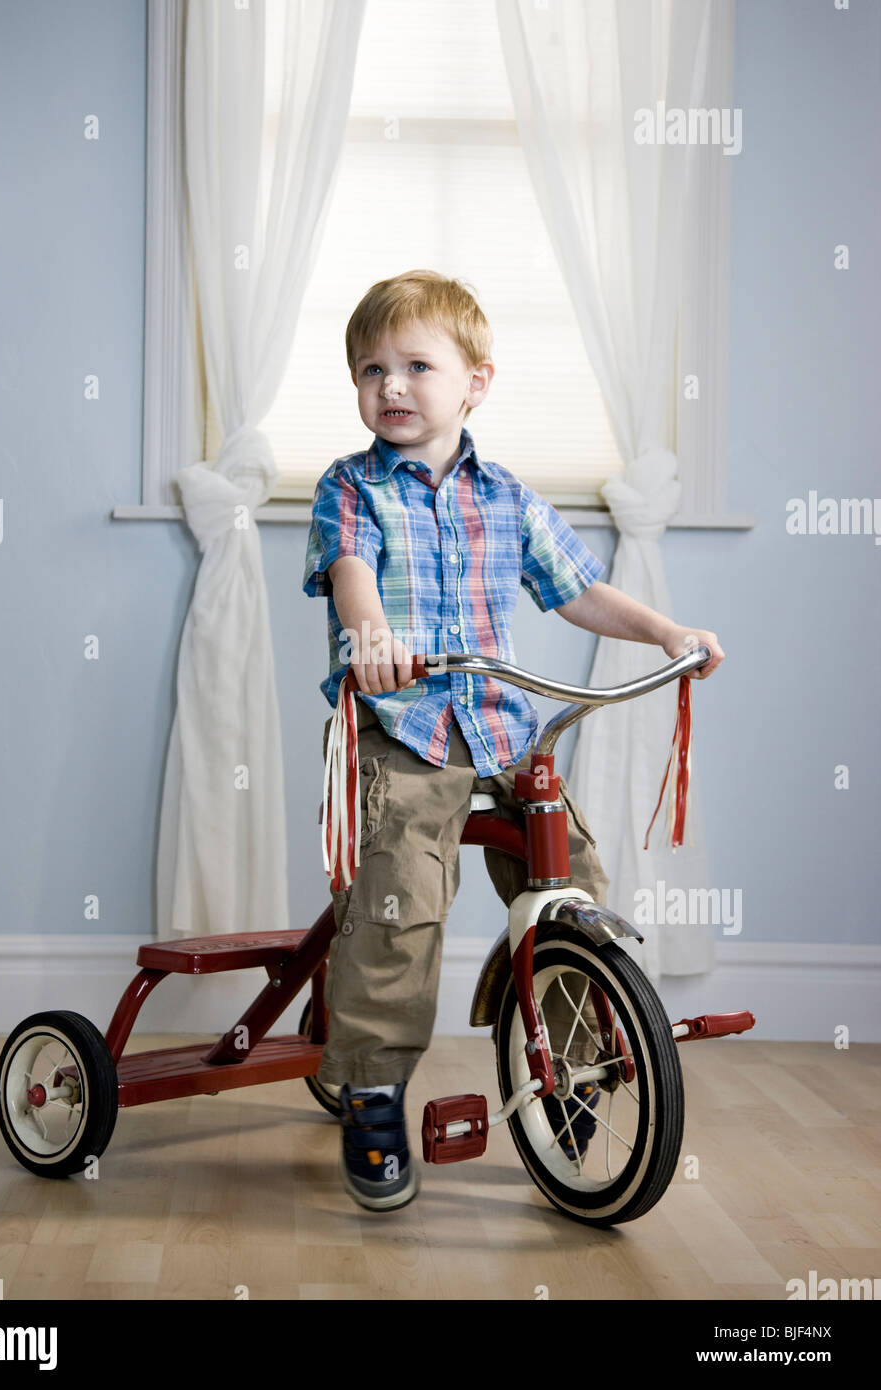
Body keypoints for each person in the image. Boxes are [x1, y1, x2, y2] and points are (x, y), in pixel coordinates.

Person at [302, 270, 724, 1211]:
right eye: (371, 370)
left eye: (417, 365)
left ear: (474, 383)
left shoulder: (509, 499)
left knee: (572, 881)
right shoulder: (351, 487)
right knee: (401, 901)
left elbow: (575, 588)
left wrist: (663, 631)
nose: (392, 387)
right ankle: (371, 1086)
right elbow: (349, 572)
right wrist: (368, 634)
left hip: (499, 726)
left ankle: (568, 1070)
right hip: (406, 727)